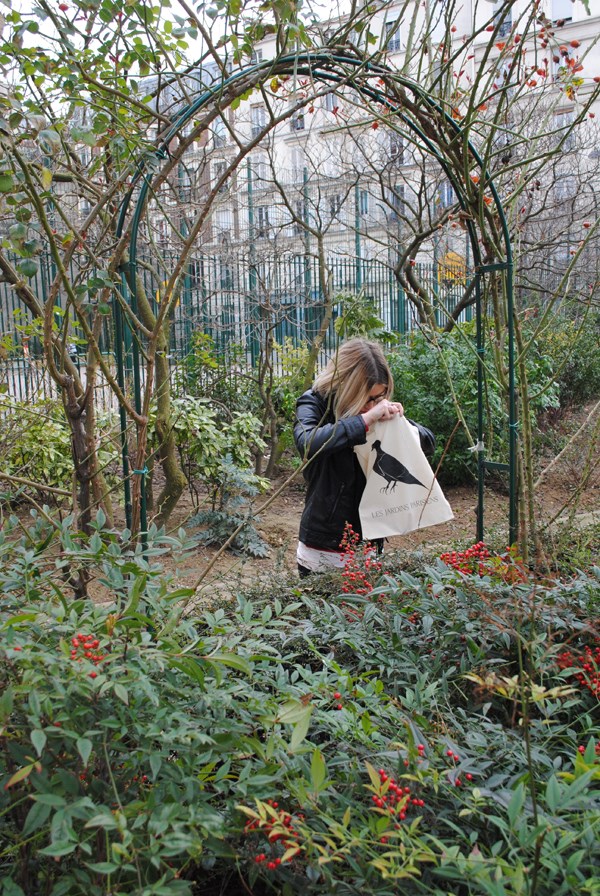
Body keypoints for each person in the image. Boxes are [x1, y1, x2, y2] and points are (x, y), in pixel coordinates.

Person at [293, 338, 406, 577]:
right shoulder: (314, 401)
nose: (373, 405)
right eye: (367, 398)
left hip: (369, 541)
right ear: (347, 387)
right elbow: (307, 443)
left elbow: (428, 441)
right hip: (322, 547)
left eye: (380, 397)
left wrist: (400, 423)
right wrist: (363, 421)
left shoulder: (376, 411)